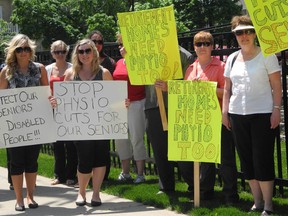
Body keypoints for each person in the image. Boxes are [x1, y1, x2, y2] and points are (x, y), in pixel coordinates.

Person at [222, 15, 281, 216]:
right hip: (238, 114)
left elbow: (277, 86)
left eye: (248, 31)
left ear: (255, 33)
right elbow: (227, 89)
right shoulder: (231, 59)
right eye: (239, 32)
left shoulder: (267, 55)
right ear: (235, 35)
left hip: (262, 115)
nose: (244, 36)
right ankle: (257, 202)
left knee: (262, 159)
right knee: (246, 159)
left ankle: (269, 204)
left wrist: (276, 110)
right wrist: (225, 111)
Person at [0, 34, 57, 211]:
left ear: (31, 50)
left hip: (35, 124)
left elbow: (46, 93)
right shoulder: (6, 71)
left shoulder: (39, 69)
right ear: (14, 51)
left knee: (32, 161)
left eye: (26, 49)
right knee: (16, 162)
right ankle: (19, 199)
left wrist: (51, 101)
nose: (23, 52)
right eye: (19, 49)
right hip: (14, 125)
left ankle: (30, 196)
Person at [184, 31, 239, 203]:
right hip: (200, 120)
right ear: (194, 47)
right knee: (205, 158)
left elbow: (228, 92)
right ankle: (206, 191)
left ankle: (230, 194)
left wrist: (207, 88)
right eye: (199, 44)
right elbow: (184, 94)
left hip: (218, 118)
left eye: (206, 43)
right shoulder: (191, 69)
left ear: (212, 46)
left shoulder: (221, 67)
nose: (202, 47)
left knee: (225, 158)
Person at [64, 38, 113, 207]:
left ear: (94, 52)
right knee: (84, 159)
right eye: (81, 51)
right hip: (80, 126)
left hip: (101, 125)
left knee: (100, 159)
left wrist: (123, 103)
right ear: (76, 54)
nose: (84, 55)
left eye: (87, 51)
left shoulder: (104, 73)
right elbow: (64, 100)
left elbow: (114, 99)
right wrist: (57, 102)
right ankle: (82, 192)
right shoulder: (71, 75)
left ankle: (96, 194)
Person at [145, 46, 194, 194]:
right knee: (159, 150)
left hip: (176, 107)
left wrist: (170, 87)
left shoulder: (185, 56)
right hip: (153, 105)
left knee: (181, 149)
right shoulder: (148, 53)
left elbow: (190, 85)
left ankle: (193, 184)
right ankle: (166, 186)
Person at [113, 33, 147, 184]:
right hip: (120, 105)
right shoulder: (119, 62)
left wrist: (130, 59)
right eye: (120, 44)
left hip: (136, 103)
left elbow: (140, 79)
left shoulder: (140, 62)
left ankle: (140, 173)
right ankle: (125, 172)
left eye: (125, 44)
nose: (122, 48)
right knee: (120, 138)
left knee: (136, 137)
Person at [46, 40, 78, 186]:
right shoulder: (47, 70)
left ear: (67, 52)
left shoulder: (73, 68)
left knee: (71, 144)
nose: (60, 54)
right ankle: (59, 175)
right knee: (57, 144)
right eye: (57, 52)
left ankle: (71, 175)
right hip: (53, 110)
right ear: (52, 53)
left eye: (63, 51)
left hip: (70, 110)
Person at [88, 30, 116, 180]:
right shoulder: (82, 62)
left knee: (103, 145)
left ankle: (103, 176)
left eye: (100, 42)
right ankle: (89, 174)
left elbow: (113, 88)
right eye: (94, 41)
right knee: (88, 146)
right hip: (86, 111)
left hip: (104, 110)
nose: (97, 45)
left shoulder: (109, 63)